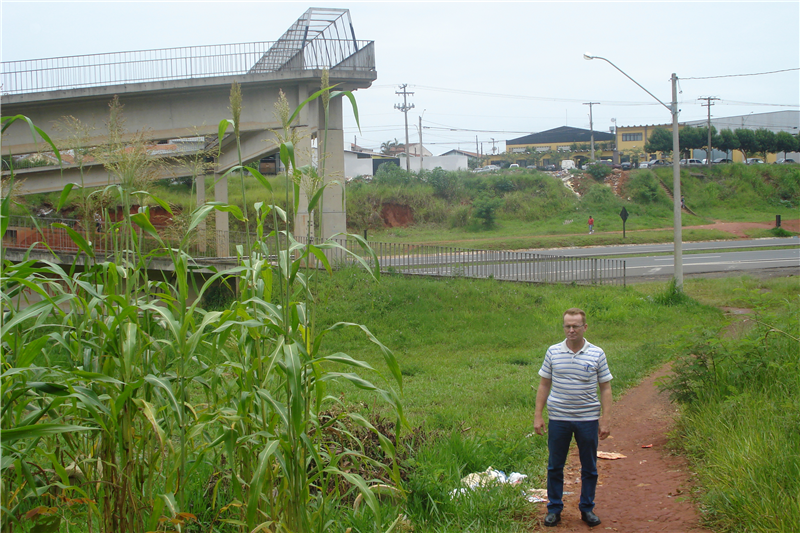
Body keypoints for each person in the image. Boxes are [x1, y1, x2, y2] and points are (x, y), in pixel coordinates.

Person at [534, 308, 613, 528]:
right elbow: (544, 384)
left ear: (584, 327)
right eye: (567, 326)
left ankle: (587, 508)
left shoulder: (597, 353)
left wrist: (605, 419)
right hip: (559, 418)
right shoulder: (553, 352)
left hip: (587, 419)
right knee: (555, 466)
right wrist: (538, 415)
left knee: (589, 467)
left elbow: (605, 388)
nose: (571, 330)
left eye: (575, 326)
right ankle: (554, 509)